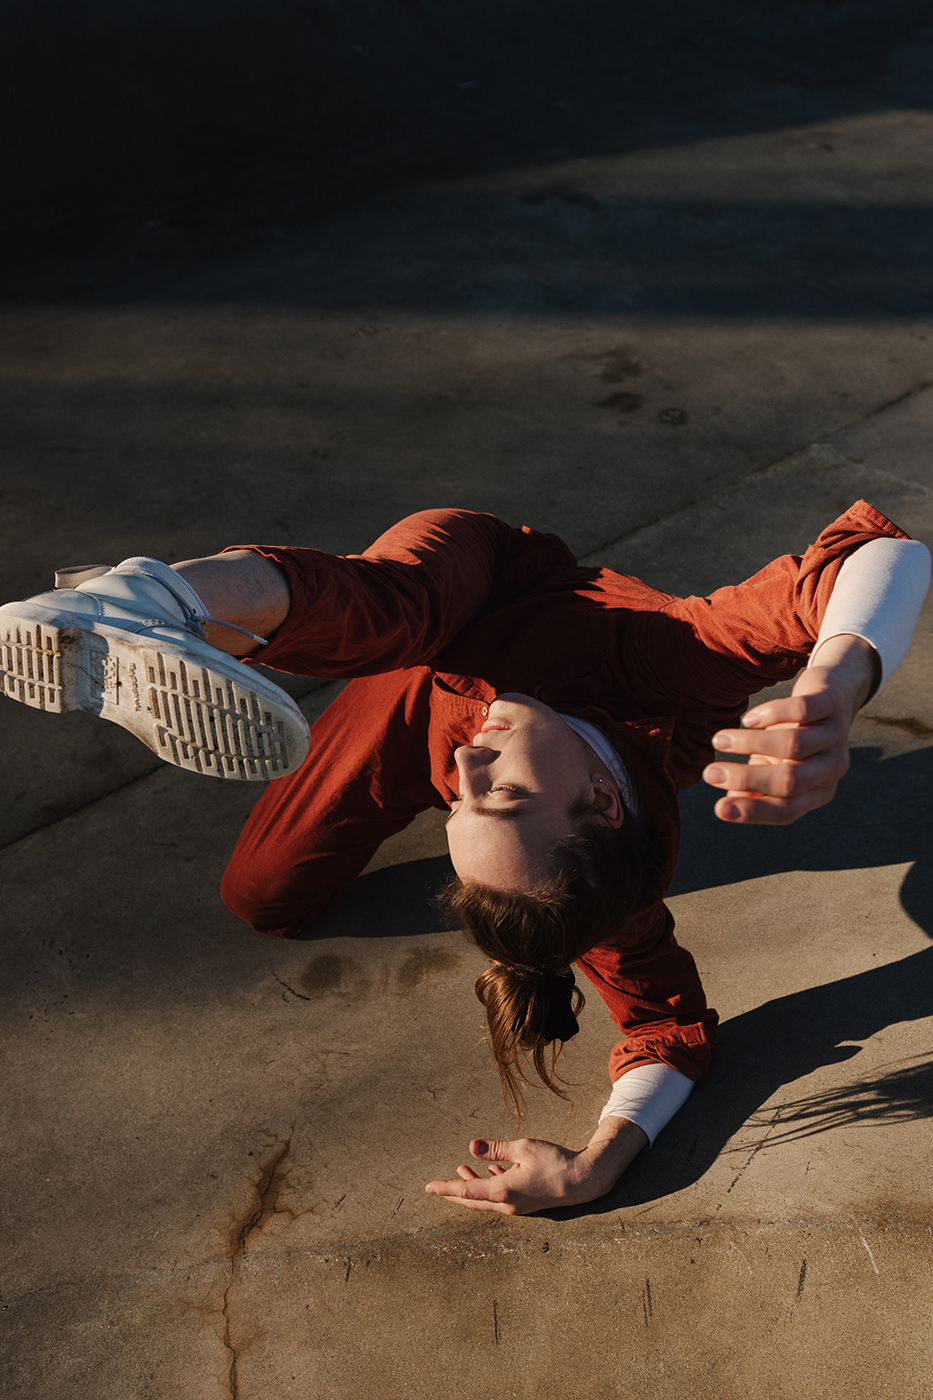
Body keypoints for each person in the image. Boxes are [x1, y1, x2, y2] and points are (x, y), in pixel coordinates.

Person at [1, 501, 928, 1215]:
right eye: (504, 793)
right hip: (470, 591)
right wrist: (833, 684)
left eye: (462, 806)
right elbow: (888, 555)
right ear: (602, 801)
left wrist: (591, 1169)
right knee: (393, 610)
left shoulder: (546, 852)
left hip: (411, 709)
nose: (469, 763)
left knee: (262, 896)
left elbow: (668, 1031)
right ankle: (151, 598)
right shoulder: (660, 661)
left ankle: (219, 624)